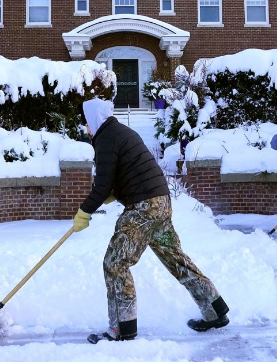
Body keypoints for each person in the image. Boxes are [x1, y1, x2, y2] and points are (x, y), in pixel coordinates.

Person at [74, 98, 230, 343]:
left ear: (94, 120)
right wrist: (111, 194)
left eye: (86, 123)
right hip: (161, 204)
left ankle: (122, 329)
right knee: (176, 260)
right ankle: (216, 310)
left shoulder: (105, 137)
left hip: (143, 209)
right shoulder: (121, 132)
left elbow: (103, 184)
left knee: (115, 263)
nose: (85, 129)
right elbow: (127, 171)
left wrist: (84, 212)